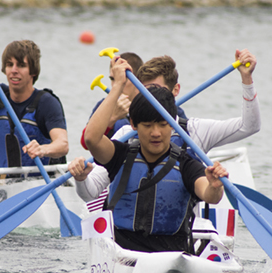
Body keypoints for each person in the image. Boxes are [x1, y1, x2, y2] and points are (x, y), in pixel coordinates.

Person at [70, 50, 259, 202]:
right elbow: (90, 193)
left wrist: (247, 80)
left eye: (156, 90)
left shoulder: (195, 132)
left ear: (175, 90)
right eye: (145, 91)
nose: (151, 98)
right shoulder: (127, 134)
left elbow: (249, 126)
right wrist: (81, 179)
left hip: (179, 235)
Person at [82, 57, 228, 253]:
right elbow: (91, 138)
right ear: (133, 124)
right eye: (148, 125)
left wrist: (215, 186)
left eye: (162, 124)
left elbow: (209, 195)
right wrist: (117, 85)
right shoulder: (120, 154)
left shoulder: (186, 164)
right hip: (122, 252)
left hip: (173, 255)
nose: (156, 133)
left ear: (173, 124)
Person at [0, 40, 68, 168]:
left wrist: (42, 149)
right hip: (9, 182)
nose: (14, 70)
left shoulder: (46, 102)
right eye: (9, 64)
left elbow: (63, 145)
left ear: (33, 71)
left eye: (21, 65)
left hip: (43, 182)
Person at [80, 52, 143, 149]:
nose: (115, 85)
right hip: (111, 161)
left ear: (138, 80)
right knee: (120, 123)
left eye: (123, 79)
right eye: (113, 79)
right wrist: (112, 118)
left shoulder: (148, 105)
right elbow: (85, 143)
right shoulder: (103, 105)